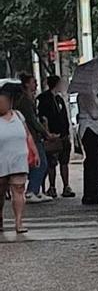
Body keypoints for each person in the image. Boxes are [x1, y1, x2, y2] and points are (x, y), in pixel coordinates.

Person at [0, 87, 37, 234]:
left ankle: (19, 222)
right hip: (1, 159)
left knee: (19, 189)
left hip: (19, 157)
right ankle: (0, 217)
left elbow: (27, 135)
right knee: (1, 192)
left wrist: (34, 152)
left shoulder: (19, 116)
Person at [15, 73, 50, 202]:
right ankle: (31, 190)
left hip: (34, 135)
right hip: (31, 136)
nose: (35, 84)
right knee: (39, 163)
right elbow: (32, 120)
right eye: (33, 82)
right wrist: (46, 132)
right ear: (27, 84)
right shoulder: (24, 101)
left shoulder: (31, 99)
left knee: (41, 163)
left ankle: (35, 190)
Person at [37, 75, 74, 198]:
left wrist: (67, 133)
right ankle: (52, 186)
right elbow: (43, 118)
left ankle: (66, 186)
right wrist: (48, 133)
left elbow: (64, 116)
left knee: (64, 161)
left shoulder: (59, 99)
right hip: (52, 135)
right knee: (51, 162)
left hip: (63, 134)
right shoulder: (44, 99)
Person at [78, 91, 98, 205]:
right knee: (93, 162)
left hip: (93, 130)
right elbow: (95, 114)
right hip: (90, 130)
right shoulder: (86, 95)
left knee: (94, 162)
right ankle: (93, 194)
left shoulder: (91, 95)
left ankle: (94, 193)